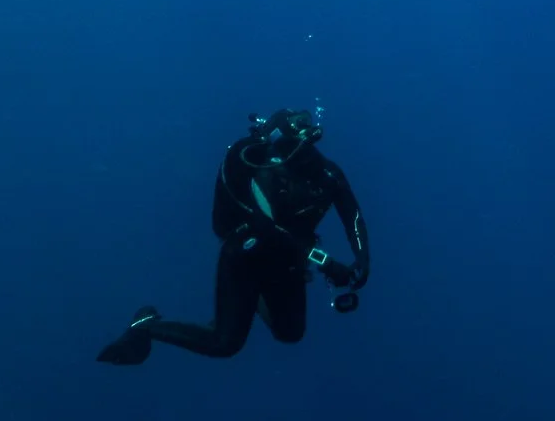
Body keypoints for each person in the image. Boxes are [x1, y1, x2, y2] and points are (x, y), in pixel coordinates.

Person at [97, 107, 370, 365]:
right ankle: (146, 326)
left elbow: (352, 214)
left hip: (288, 261)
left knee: (290, 333)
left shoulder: (328, 174)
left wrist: (362, 258)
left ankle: (247, 303)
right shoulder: (253, 166)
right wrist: (325, 262)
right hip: (245, 256)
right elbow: (262, 227)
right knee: (224, 343)